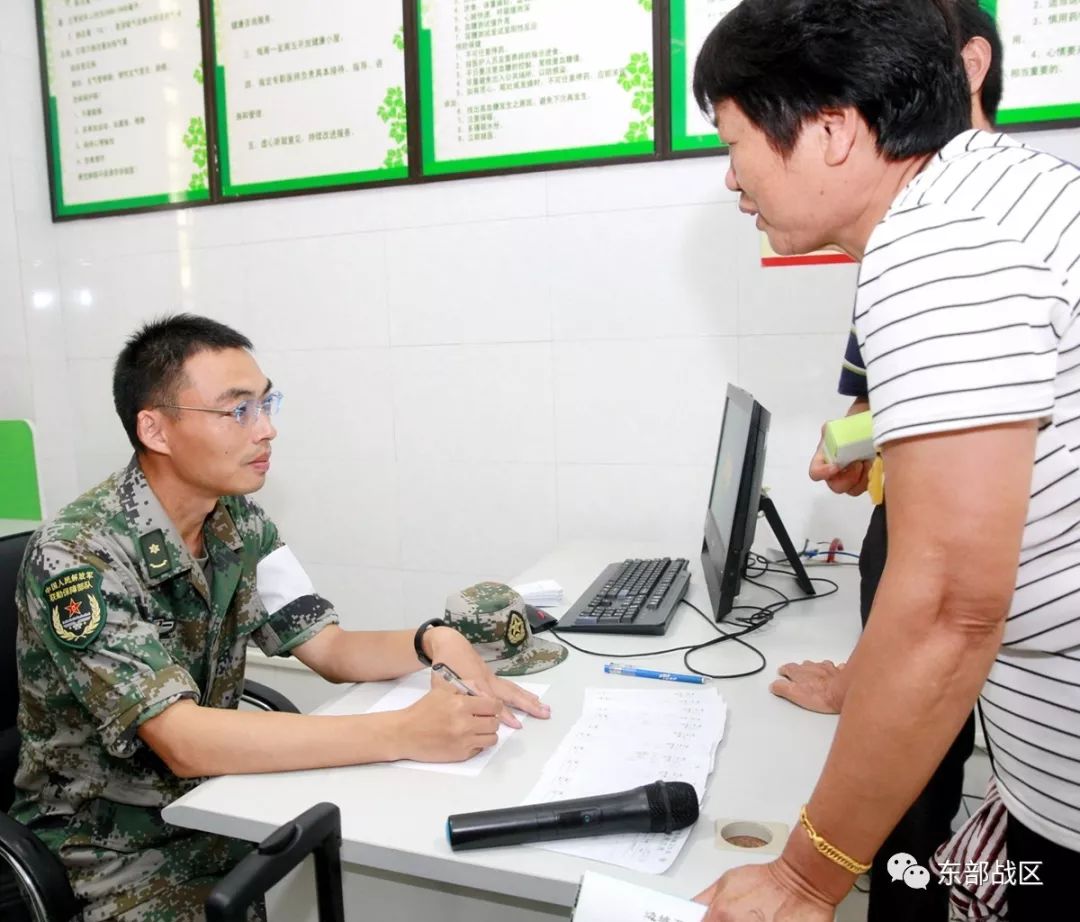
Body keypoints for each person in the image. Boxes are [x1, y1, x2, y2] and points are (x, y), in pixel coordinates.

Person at [691, 1, 1080, 920]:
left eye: (735, 139)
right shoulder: (996, 193)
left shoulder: (939, 245)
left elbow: (950, 603)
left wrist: (804, 879)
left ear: (829, 130)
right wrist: (867, 679)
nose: (731, 178)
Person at [8, 314, 554, 922]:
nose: (266, 430)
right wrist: (404, 731)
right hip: (111, 848)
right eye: (237, 411)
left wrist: (435, 639)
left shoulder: (237, 520)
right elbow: (183, 740)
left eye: (267, 405)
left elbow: (331, 648)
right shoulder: (79, 554)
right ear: (156, 429)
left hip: (226, 803)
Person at [770, 3, 1003, 920]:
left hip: (976, 614)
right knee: (916, 835)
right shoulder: (917, 229)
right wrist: (860, 445)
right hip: (909, 559)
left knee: (929, 847)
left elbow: (955, 602)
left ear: (968, 63)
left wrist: (803, 878)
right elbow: (889, 406)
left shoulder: (960, 234)